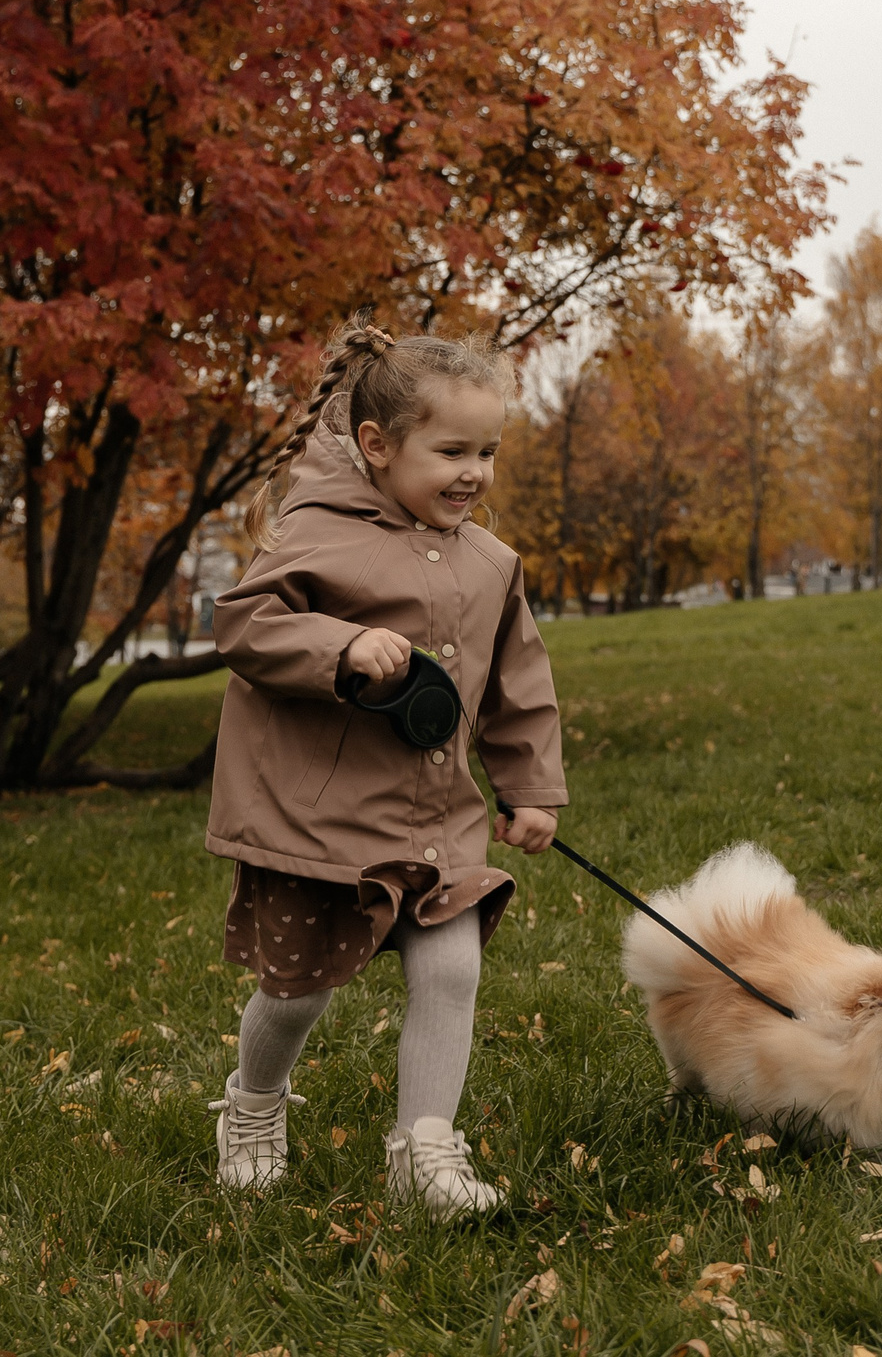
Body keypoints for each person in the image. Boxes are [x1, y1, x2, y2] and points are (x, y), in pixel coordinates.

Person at [203, 319, 566, 1220]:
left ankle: (425, 1151)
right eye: (451, 449)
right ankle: (252, 1106)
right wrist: (339, 641)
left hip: (435, 818)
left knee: (450, 970)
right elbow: (245, 626)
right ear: (377, 445)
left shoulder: (491, 562)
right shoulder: (314, 534)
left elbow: (518, 682)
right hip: (317, 823)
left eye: (487, 450)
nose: (475, 471)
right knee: (299, 990)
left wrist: (528, 787)